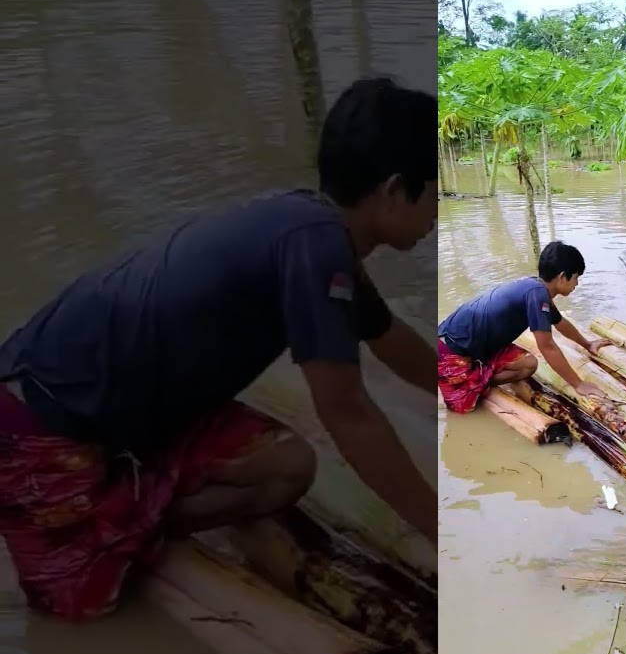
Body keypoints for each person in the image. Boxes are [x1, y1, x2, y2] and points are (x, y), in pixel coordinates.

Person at [0, 77, 440, 621]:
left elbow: (387, 335)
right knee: (84, 600)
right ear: (395, 191)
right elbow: (349, 414)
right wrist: (442, 532)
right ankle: (109, 519)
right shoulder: (317, 247)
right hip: (39, 421)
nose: (437, 212)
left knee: (288, 467)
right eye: (435, 192)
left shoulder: (309, 226)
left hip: (118, 406)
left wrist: (459, 385)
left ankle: (125, 497)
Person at [437, 241, 611, 414]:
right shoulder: (537, 295)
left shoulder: (536, 288)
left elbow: (560, 322)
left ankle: (475, 376)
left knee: (528, 364)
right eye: (576, 278)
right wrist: (578, 384)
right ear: (562, 277)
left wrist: (587, 344)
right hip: (450, 350)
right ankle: (465, 381)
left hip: (476, 346)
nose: (576, 284)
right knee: (465, 407)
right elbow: (548, 347)